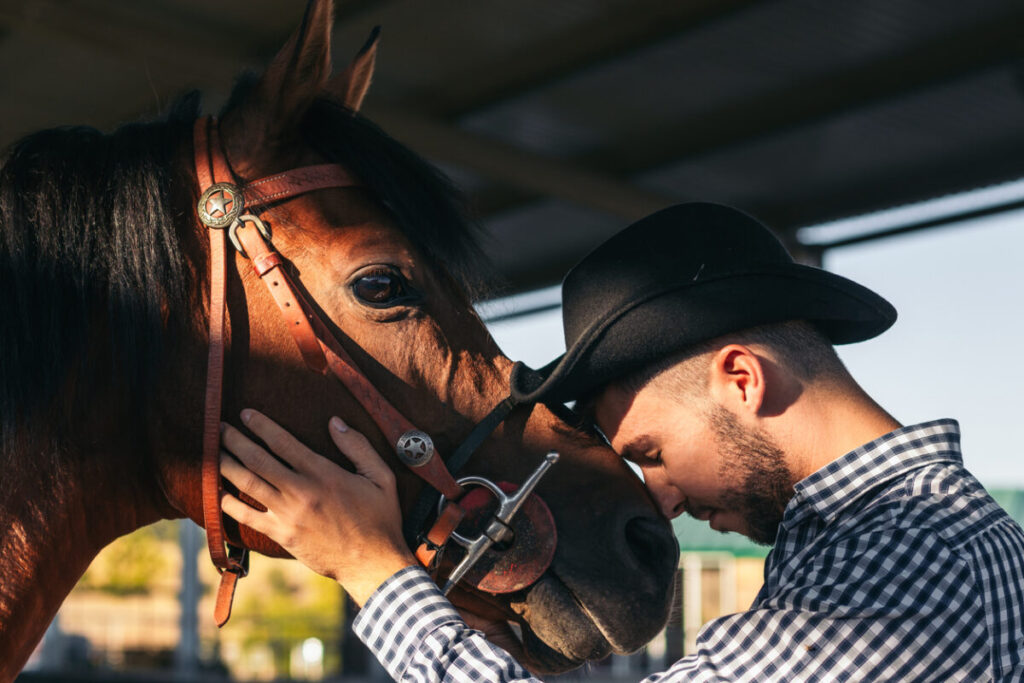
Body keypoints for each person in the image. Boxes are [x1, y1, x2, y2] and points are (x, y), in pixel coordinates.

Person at [218, 203, 1024, 681]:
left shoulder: (903, 570)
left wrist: (370, 567)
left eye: (652, 452)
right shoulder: (917, 543)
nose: (663, 500)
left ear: (741, 378)